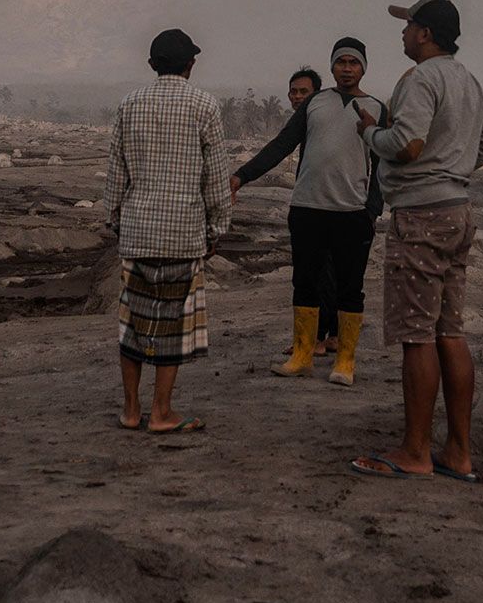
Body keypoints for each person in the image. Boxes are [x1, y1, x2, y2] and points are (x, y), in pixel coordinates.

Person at [350, 0, 483, 483]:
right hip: (457, 209)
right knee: (449, 331)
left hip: (421, 215)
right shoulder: (468, 79)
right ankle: (459, 452)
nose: (403, 32)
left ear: (424, 33)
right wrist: (453, 168)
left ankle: (414, 451)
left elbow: (407, 144)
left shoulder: (420, 79)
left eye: (408, 24)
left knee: (416, 335)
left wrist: (371, 135)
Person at [103, 29, 229, 433]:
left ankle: (129, 410)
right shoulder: (204, 105)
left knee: (133, 324)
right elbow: (216, 177)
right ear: (190, 64)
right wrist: (217, 227)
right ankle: (161, 412)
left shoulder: (129, 104)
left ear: (152, 65)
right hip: (183, 234)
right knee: (173, 325)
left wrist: (115, 219)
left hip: (138, 233)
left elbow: (116, 171)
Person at [233, 47, 383, 384]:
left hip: (352, 213)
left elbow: (383, 165)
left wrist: (373, 209)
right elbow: (282, 144)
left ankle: (345, 361)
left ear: (364, 68)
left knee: (350, 288)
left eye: (353, 63)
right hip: (307, 209)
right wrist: (241, 175)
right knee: (304, 282)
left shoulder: (376, 107)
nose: (347, 69)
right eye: (341, 62)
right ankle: (302, 355)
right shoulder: (315, 103)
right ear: (332, 67)